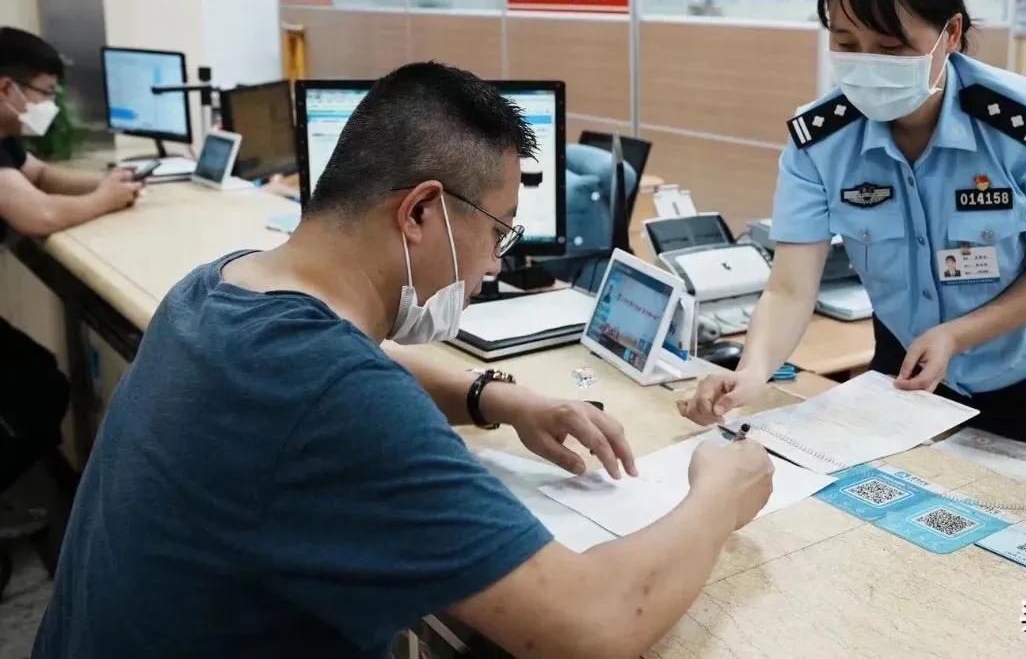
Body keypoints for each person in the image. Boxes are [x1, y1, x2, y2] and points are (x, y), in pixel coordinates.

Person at [35, 62, 774, 659]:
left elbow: (355, 354)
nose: (491, 266)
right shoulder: (334, 395)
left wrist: (496, 395)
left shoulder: (219, 286)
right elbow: (591, 622)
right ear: (420, 211)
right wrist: (716, 495)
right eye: (498, 232)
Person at [681, 0, 1026, 467]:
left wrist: (957, 335)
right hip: (906, 369)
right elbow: (792, 287)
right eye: (845, 43)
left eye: (891, 47)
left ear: (951, 33)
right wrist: (751, 372)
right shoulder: (821, 140)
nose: (866, 63)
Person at [0, 27, 141, 535]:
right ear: (5, 89)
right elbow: (35, 213)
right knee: (39, 391)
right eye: (42, 93)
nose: (49, 104)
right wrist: (105, 200)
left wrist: (120, 179)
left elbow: (40, 176)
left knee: (36, 373)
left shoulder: (6, 139)